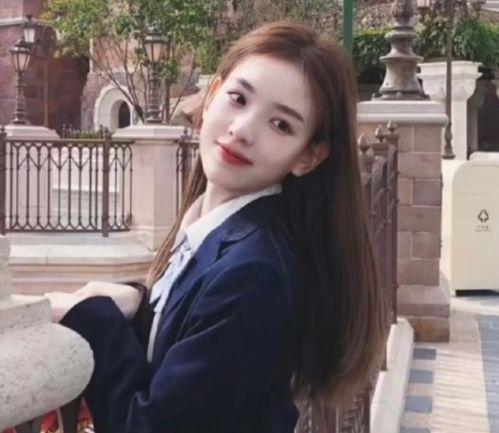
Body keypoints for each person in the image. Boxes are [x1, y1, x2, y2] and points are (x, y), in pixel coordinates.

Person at [45, 21, 385, 433]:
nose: (242, 130)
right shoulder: (218, 237)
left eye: (281, 125)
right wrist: (144, 300)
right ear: (211, 97)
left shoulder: (254, 274)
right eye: (238, 99)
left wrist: (92, 318)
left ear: (308, 157)